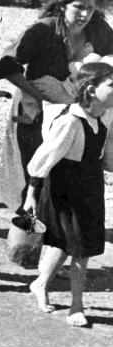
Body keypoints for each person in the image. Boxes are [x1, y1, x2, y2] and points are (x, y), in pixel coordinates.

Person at [0, 0, 113, 214]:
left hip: (77, 109)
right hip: (36, 103)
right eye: (78, 7)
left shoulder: (99, 29)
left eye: (89, 8)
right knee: (32, 165)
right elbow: (7, 67)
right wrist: (37, 95)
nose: (85, 14)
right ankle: (27, 226)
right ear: (62, 5)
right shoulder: (45, 29)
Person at [24, 61, 113, 327]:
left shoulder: (102, 119)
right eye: (111, 86)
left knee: (70, 244)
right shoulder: (70, 121)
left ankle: (39, 284)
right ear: (91, 90)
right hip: (66, 190)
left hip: (90, 186)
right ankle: (76, 306)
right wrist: (31, 196)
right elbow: (43, 159)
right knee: (80, 249)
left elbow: (105, 159)